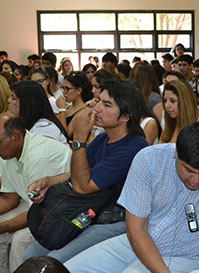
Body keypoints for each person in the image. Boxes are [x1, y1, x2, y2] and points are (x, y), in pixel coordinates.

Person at [64, 121, 199, 273]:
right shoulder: (149, 159)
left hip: (186, 258)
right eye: (188, 170)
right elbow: (136, 230)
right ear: (176, 152)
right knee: (69, 269)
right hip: (135, 242)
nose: (195, 179)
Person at [23, 79, 148, 264]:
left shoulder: (133, 147)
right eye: (98, 101)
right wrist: (48, 181)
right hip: (90, 211)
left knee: (55, 261)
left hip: (115, 220)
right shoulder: (102, 139)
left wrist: (80, 139)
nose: (97, 108)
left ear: (125, 116)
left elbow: (83, 186)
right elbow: (78, 174)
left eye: (107, 105)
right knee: (30, 255)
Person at [0, 114, 72, 273]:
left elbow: (37, 214)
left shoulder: (39, 156)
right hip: (33, 204)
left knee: (20, 241)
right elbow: (9, 198)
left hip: (59, 210)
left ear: (16, 137)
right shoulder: (7, 152)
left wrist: (4, 226)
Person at [60, 71, 93, 139]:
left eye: (67, 89)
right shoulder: (68, 107)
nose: (63, 92)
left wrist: (62, 109)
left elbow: (67, 134)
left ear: (79, 90)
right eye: (62, 88)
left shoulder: (84, 111)